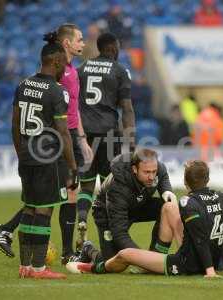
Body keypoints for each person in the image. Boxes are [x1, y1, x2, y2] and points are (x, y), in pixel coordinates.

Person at [0, 24, 93, 265]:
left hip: (62, 137)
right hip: (58, 139)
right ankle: (65, 254)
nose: (83, 44)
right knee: (60, 195)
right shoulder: (62, 77)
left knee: (52, 195)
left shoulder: (69, 72)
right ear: (66, 44)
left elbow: (73, 109)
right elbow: (61, 113)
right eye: (79, 39)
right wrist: (73, 143)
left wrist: (82, 138)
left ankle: (9, 231)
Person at [67, 160, 223, 277]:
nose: (152, 176)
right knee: (167, 207)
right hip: (212, 259)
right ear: (207, 179)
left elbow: (198, 240)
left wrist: (209, 271)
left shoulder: (187, 202)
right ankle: (153, 256)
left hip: (186, 264)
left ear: (184, 182)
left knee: (124, 255)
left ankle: (88, 266)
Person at [12, 36, 78, 279]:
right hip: (47, 158)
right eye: (63, 63)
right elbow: (63, 133)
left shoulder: (23, 85)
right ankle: (39, 268)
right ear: (58, 61)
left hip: (27, 157)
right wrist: (72, 166)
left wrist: (21, 154)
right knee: (44, 211)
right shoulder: (56, 91)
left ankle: (25, 266)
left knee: (29, 208)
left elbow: (15, 124)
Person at [76, 32, 136, 248]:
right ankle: (109, 233)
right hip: (109, 134)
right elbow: (127, 108)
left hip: (84, 136)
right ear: (113, 48)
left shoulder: (81, 69)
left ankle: (82, 218)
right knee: (109, 186)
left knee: (86, 186)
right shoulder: (120, 71)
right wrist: (131, 140)